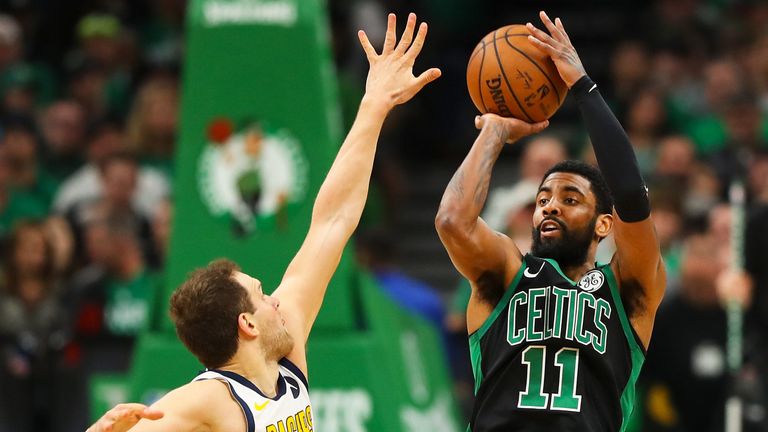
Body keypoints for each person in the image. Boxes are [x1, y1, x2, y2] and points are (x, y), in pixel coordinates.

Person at [87, 12, 441, 432]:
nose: (275, 299)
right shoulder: (208, 399)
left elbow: (332, 221)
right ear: (248, 323)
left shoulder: (286, 359)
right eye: (262, 295)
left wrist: (373, 107)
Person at [435, 12, 666, 431]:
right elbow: (452, 221)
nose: (550, 207)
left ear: (603, 225)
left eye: (570, 199)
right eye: (543, 199)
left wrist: (583, 87)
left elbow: (632, 195)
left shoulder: (626, 288)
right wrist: (494, 133)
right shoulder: (507, 272)